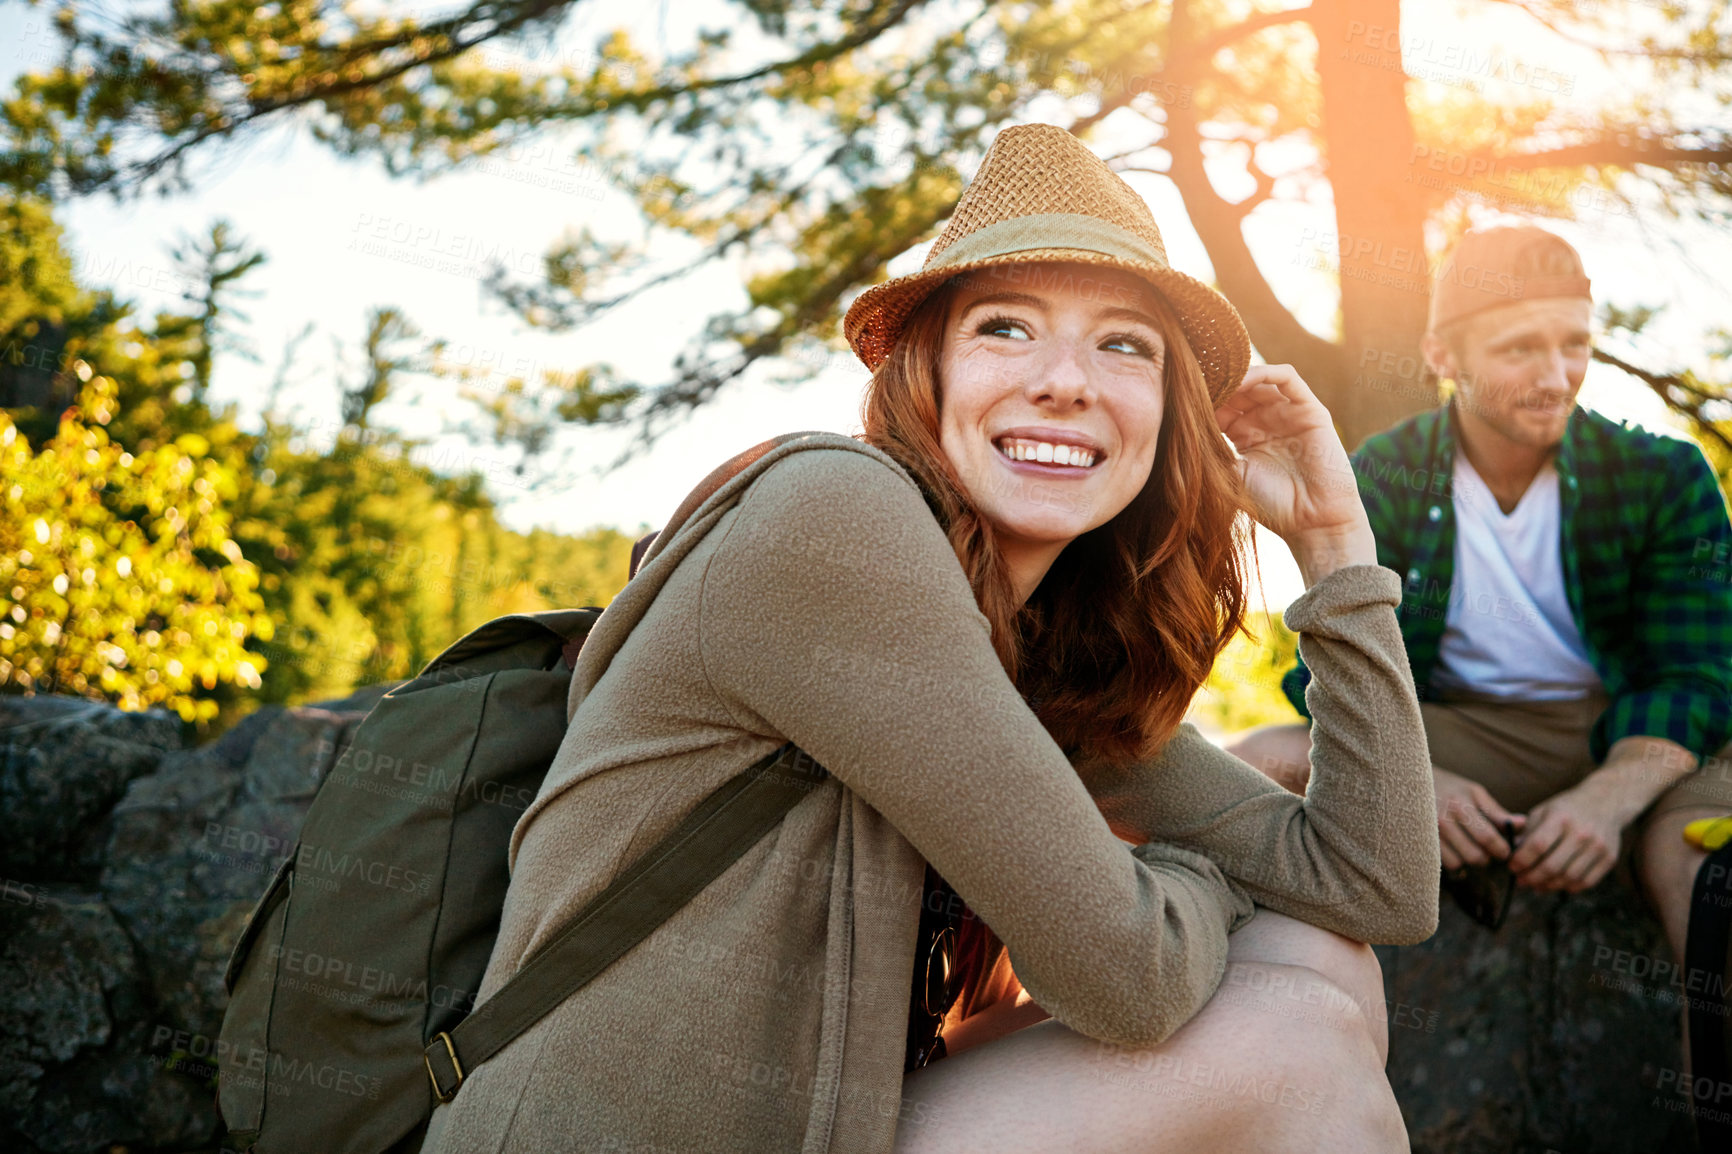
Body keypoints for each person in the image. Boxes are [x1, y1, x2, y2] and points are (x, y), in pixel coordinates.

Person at [421, 123, 1437, 1154]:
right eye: (1006, 328)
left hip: (806, 1112)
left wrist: (1334, 550)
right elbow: (1127, 974)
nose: (1064, 380)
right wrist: (1204, 872)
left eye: (1121, 343)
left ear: (1172, 412)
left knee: (1322, 957)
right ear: (927, 375)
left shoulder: (1034, 635)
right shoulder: (834, 516)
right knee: (1293, 1034)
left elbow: (1375, 886)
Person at [1230, 223, 1732, 979]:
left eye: (1575, 345)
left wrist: (1607, 800)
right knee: (1255, 764)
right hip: (1460, 730)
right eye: (1519, 348)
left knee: (1705, 875)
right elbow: (1327, 668)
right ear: (1442, 356)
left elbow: (1697, 676)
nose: (1558, 374)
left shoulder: (1662, 475)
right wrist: (1413, 777)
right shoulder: (1387, 471)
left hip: (1631, 731)